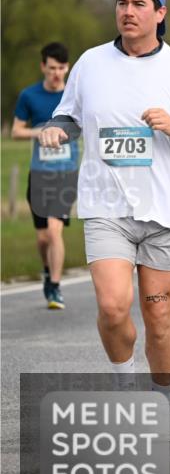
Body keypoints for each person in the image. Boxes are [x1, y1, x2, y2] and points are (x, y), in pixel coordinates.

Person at [39, 0, 170, 441]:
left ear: (160, 13)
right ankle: (126, 389)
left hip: (167, 212)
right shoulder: (90, 63)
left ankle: (161, 403)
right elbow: (71, 114)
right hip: (107, 204)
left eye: (139, 3)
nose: (128, 11)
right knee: (113, 306)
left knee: (158, 315)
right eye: (122, 2)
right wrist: (60, 129)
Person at [11, 42, 77, 309]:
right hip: (39, 173)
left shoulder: (73, 96)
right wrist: (42, 132)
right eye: (51, 68)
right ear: (43, 67)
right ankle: (47, 270)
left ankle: (56, 288)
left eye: (61, 68)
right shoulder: (29, 96)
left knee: (53, 230)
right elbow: (16, 131)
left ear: (68, 67)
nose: (56, 74)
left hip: (65, 173)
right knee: (42, 238)